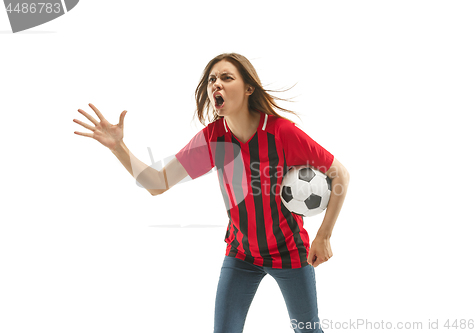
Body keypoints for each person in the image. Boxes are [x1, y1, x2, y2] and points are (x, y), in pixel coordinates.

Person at [73, 53, 350, 333]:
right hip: (242, 254)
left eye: (226, 77)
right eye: (212, 79)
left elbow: (340, 174)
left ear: (248, 88)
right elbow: (157, 183)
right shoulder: (212, 139)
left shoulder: (281, 132)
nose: (216, 84)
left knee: (308, 331)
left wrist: (323, 236)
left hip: (289, 252)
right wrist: (118, 147)